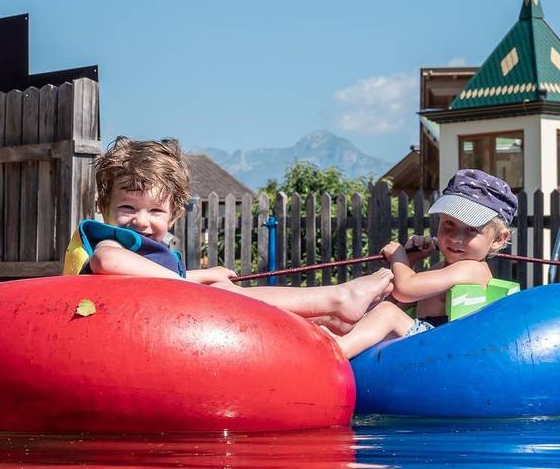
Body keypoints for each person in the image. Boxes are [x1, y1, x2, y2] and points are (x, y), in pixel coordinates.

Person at [62, 136, 394, 332]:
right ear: (103, 207)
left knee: (224, 288)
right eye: (127, 208)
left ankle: (322, 315)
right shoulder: (113, 242)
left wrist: (202, 275)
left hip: (149, 323)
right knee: (221, 293)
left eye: (155, 211)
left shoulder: (148, 255)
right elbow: (107, 261)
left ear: (175, 216)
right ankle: (336, 299)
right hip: (115, 327)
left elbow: (154, 278)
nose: (141, 221)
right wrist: (191, 283)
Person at [324, 169, 517, 358]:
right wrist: (411, 261)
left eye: (472, 229)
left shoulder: (472, 269)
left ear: (499, 238)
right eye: (449, 224)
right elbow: (400, 301)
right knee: (371, 314)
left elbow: (405, 289)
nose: (455, 238)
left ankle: (332, 355)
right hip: (427, 344)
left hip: (444, 351)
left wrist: (398, 256)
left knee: (387, 314)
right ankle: (334, 344)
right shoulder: (443, 269)